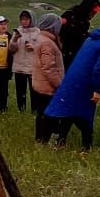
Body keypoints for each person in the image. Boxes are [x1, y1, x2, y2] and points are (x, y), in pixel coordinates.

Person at [43, 13, 100, 150]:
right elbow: (99, 69)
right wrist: (97, 90)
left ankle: (60, 142)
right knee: (84, 114)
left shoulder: (91, 39)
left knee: (69, 111)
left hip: (72, 79)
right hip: (85, 83)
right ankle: (87, 146)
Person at [30, 15, 64, 144]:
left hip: (42, 84)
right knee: (47, 114)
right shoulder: (47, 43)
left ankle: (42, 139)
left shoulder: (43, 39)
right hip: (47, 86)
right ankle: (44, 139)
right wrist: (59, 84)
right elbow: (48, 67)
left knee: (43, 113)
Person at [58, 0, 100, 69]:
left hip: (78, 56)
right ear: (87, 9)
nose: (93, 15)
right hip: (66, 56)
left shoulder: (84, 20)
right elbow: (68, 34)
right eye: (93, 12)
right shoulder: (70, 16)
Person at [9, 10, 38, 113]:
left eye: (26, 19)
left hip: (32, 67)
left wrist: (34, 47)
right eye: (22, 19)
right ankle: (21, 109)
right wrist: (15, 40)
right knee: (20, 90)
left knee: (34, 91)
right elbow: (11, 49)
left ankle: (34, 110)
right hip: (19, 66)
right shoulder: (17, 31)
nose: (24, 22)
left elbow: (42, 48)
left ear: (31, 19)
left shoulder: (37, 32)